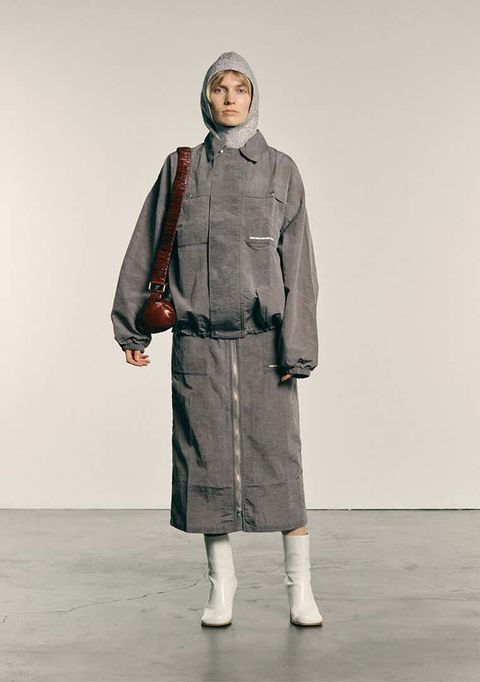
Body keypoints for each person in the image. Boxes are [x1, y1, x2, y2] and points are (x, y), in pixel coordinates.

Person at [111, 51, 323, 627]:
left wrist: (298, 348)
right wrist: (132, 327)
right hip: (198, 346)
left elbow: (299, 269)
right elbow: (145, 245)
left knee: (280, 465)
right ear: (206, 97)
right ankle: (221, 587)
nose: (230, 98)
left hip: (264, 346)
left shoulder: (281, 170)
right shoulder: (181, 168)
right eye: (219, 89)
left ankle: (300, 589)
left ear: (254, 97)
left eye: (240, 89)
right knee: (204, 464)